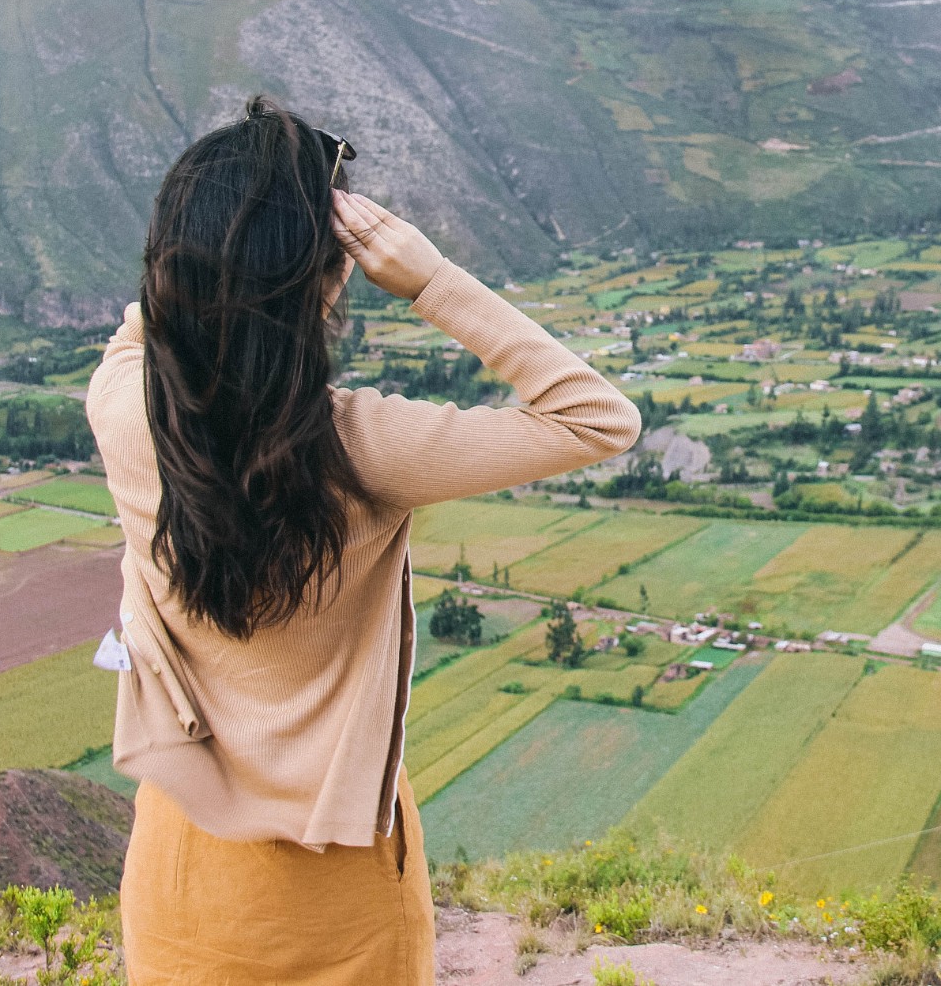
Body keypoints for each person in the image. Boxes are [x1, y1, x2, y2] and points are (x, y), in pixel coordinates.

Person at [87, 96, 641, 983]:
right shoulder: (363, 449)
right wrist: (427, 277)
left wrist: (229, 236)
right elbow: (598, 417)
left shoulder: (120, 409)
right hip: (340, 884)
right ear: (331, 279)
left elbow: (154, 315)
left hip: (178, 873)